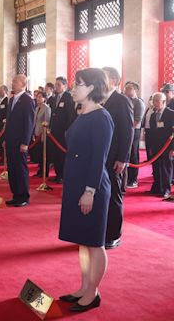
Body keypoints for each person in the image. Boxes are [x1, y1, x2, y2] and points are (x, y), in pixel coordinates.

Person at [58, 68, 114, 313]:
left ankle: (93, 293)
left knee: (94, 243)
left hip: (91, 186)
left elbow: (98, 159)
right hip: (76, 182)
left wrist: (89, 191)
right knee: (82, 241)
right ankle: (84, 287)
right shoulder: (82, 113)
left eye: (77, 84)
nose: (73, 88)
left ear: (91, 87)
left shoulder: (102, 118)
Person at [101, 67, 133, 250]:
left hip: (114, 157)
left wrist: (122, 158)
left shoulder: (121, 100)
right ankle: (101, 230)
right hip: (101, 156)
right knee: (101, 195)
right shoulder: (101, 100)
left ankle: (114, 234)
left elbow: (127, 132)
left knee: (113, 195)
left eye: (103, 77)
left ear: (113, 80)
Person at [4, 74, 35, 207]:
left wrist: (25, 142)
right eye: (13, 80)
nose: (13, 83)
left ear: (23, 84)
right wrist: (5, 138)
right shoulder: (12, 100)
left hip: (20, 142)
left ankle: (23, 196)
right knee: (12, 169)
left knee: (20, 169)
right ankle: (16, 194)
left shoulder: (27, 100)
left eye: (16, 81)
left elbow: (29, 123)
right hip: (11, 140)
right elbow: (9, 122)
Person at [144, 92, 174, 200]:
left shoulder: (171, 114)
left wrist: (172, 148)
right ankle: (156, 187)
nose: (155, 103)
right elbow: (151, 133)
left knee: (166, 168)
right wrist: (150, 147)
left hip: (167, 146)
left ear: (164, 102)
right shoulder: (153, 115)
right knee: (156, 167)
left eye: (158, 101)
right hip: (155, 146)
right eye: (154, 100)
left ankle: (165, 189)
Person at [48, 76, 76, 183]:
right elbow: (53, 114)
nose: (56, 86)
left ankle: (63, 175)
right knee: (55, 154)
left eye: (59, 84)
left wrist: (68, 131)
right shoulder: (55, 98)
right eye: (56, 84)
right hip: (54, 131)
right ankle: (58, 173)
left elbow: (70, 115)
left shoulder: (68, 97)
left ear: (64, 86)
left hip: (63, 131)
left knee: (62, 154)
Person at [124, 82, 145, 188]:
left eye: (129, 88)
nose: (126, 90)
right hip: (125, 130)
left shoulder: (138, 102)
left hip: (134, 131)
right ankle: (126, 178)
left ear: (135, 90)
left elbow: (137, 120)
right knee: (125, 153)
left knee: (133, 154)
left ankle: (133, 179)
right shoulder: (124, 100)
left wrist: (128, 129)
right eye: (126, 88)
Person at [32, 91, 51, 177]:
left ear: (44, 98)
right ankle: (40, 170)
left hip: (42, 134)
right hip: (36, 133)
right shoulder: (36, 108)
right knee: (38, 153)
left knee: (43, 153)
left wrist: (44, 135)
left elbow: (47, 122)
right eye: (37, 97)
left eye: (40, 97)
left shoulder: (46, 108)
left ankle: (44, 171)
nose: (37, 98)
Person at [0, 85, 9, 164]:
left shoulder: (7, 100)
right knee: (0, 141)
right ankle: (2, 157)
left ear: (5, 91)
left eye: (1, 90)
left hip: (3, 124)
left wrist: (5, 120)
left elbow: (7, 112)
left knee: (3, 141)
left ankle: (4, 158)